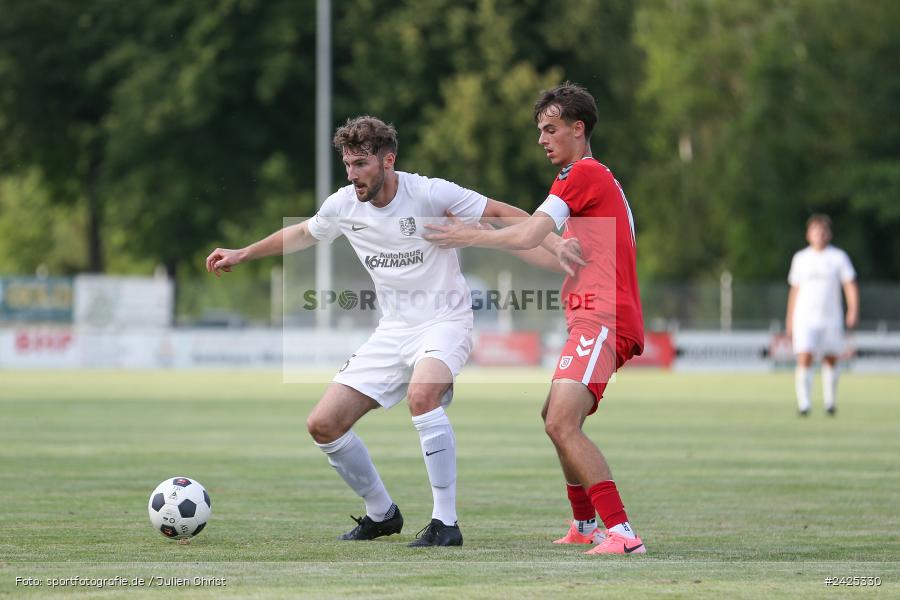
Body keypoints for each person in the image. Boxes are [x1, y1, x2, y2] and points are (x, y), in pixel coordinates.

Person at [205, 116, 578, 547]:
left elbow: (503, 214)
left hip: (445, 322)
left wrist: (557, 245)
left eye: (361, 163)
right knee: (323, 424)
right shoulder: (344, 204)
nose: (352, 174)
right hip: (393, 331)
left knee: (423, 397)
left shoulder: (431, 192)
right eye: (347, 164)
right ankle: (382, 513)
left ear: (388, 160)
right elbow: (305, 232)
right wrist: (243, 252)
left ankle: (446, 523)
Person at [425, 82, 646, 555]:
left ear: (578, 128)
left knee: (562, 423)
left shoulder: (581, 174)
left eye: (551, 129)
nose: (542, 139)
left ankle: (623, 533)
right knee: (553, 416)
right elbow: (548, 252)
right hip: (594, 317)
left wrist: (470, 234)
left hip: (603, 317)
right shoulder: (589, 182)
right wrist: (537, 240)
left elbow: (529, 233)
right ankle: (585, 524)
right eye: (540, 131)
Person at [785, 214, 859, 416]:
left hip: (830, 317)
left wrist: (852, 309)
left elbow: (849, 284)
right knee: (805, 356)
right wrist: (789, 317)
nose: (820, 234)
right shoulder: (801, 258)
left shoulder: (838, 257)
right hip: (805, 317)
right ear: (808, 234)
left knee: (830, 358)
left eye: (823, 230)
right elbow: (794, 290)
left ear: (829, 234)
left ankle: (830, 403)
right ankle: (804, 404)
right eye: (816, 230)